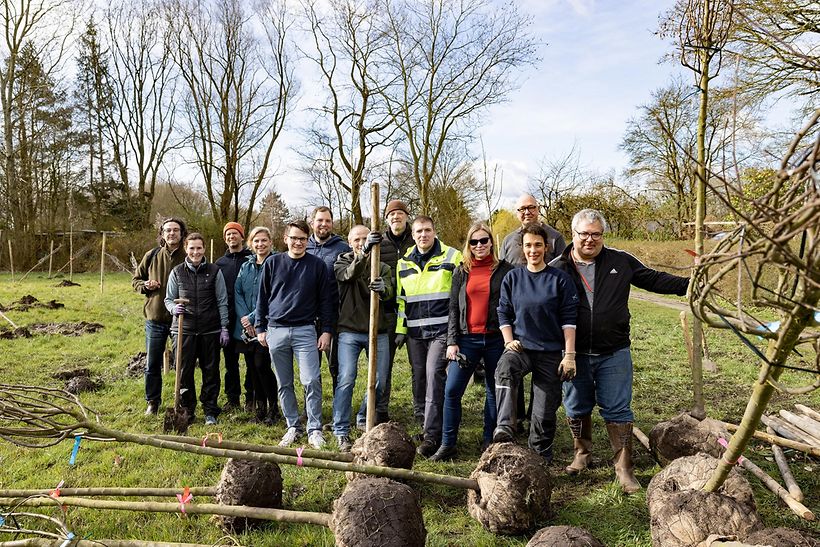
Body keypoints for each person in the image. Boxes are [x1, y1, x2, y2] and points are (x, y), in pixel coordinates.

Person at [550, 208, 689, 493]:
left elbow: (653, 279)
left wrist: (690, 284)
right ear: (573, 234)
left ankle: (624, 468)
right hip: (574, 354)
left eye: (596, 234)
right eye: (584, 234)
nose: (590, 240)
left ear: (602, 235)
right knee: (576, 407)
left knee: (618, 409)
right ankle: (582, 453)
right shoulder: (556, 268)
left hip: (613, 351)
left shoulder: (620, 261)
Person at [493, 224, 579, 463]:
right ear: (522, 248)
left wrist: (569, 355)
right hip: (522, 348)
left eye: (538, 245)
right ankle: (505, 428)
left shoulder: (559, 280)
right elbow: (503, 312)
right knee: (505, 368)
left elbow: (569, 321)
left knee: (543, 413)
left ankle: (539, 457)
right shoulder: (513, 277)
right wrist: (509, 341)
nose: (533, 250)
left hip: (550, 352)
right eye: (528, 245)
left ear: (546, 247)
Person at [434, 223, 515, 461]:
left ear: (491, 242)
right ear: (468, 245)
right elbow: (452, 307)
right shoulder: (462, 271)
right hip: (466, 340)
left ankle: (489, 441)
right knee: (452, 391)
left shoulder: (505, 270)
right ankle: (448, 444)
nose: (479, 245)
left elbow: (512, 306)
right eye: (474, 242)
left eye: (483, 240)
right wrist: (452, 340)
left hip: (495, 339)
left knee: (493, 390)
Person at [256, 219, 337, 449]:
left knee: (311, 380)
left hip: (305, 330)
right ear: (285, 239)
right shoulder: (273, 263)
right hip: (276, 330)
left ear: (307, 240)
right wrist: (261, 328)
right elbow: (262, 298)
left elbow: (326, 302)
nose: (298, 243)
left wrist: (326, 331)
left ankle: (314, 429)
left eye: (303, 239)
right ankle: (293, 425)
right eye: (294, 238)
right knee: (284, 382)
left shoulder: (317, 265)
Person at [396, 216, 463, 458]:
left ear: (435, 231)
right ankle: (427, 425)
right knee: (419, 378)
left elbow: (458, 299)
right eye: (418, 231)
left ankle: (432, 436)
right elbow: (401, 301)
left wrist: (456, 332)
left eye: (427, 230)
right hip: (415, 332)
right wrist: (401, 330)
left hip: (441, 330)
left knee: (435, 375)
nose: (423, 235)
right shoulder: (403, 263)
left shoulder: (452, 257)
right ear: (412, 235)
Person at [331, 225, 394, 451]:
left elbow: (390, 294)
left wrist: (383, 289)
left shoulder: (383, 267)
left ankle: (362, 419)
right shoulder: (341, 262)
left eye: (365, 238)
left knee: (380, 380)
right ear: (350, 242)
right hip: (349, 330)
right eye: (357, 239)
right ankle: (340, 429)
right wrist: (364, 253)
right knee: (346, 377)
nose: (360, 241)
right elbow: (349, 275)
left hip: (377, 330)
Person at [164, 232, 230, 426]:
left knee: (211, 371)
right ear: (186, 248)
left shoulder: (214, 271)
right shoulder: (177, 272)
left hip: (210, 329)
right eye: (191, 248)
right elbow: (168, 298)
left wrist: (224, 327)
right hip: (183, 330)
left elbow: (222, 301)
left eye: (199, 248)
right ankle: (187, 409)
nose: (195, 252)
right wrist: (173, 309)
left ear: (204, 249)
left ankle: (210, 410)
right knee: (184, 372)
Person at [132, 217, 188, 416]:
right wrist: (145, 285)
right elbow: (136, 280)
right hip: (155, 318)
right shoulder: (152, 255)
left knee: (182, 362)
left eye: (175, 230)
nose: (171, 233)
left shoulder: (188, 256)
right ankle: (153, 402)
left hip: (181, 320)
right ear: (162, 234)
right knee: (152, 363)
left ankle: (182, 400)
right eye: (167, 230)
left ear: (182, 234)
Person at [234, 226, 279, 425]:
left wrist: (254, 318)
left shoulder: (277, 264)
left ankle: (273, 407)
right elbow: (238, 293)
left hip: (267, 324)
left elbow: (273, 295)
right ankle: (260, 409)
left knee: (262, 365)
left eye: (264, 240)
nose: (260, 244)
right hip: (246, 327)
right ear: (250, 244)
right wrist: (245, 318)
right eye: (256, 241)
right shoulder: (246, 266)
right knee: (252, 367)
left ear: (270, 242)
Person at [377, 199, 415, 423]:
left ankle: (422, 409)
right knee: (384, 365)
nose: (396, 217)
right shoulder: (379, 244)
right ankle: (381, 410)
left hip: (416, 310)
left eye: (400, 213)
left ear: (406, 216)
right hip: (388, 312)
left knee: (417, 366)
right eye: (391, 214)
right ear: (387, 219)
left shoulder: (417, 239)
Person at [306, 206, 350, 392]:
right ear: (312, 223)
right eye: (320, 220)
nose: (324, 224)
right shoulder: (303, 246)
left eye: (327, 221)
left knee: (336, 368)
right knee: (310, 369)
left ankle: (339, 412)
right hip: (307, 318)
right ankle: (311, 410)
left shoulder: (343, 248)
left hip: (335, 317)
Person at [215, 222, 254, 412]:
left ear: (242, 236)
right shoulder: (219, 264)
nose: (232, 237)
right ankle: (232, 398)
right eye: (228, 234)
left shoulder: (251, 259)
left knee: (251, 361)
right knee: (230, 363)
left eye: (235, 234)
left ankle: (251, 397)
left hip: (247, 319)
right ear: (225, 238)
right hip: (227, 319)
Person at [500, 194, 566, 265]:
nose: (527, 212)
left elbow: (563, 268)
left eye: (531, 207)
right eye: (522, 209)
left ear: (538, 209)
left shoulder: (555, 238)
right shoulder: (508, 241)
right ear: (517, 213)